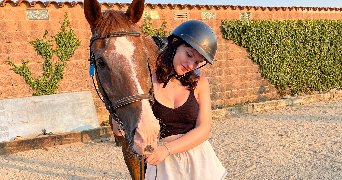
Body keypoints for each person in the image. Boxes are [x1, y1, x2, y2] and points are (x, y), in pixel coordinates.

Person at [144, 20, 228, 180]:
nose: (191, 65)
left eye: (197, 62)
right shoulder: (147, 81)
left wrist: (166, 149)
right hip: (163, 165)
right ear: (175, 44)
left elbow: (203, 129)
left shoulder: (200, 84)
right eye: (189, 54)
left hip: (199, 161)